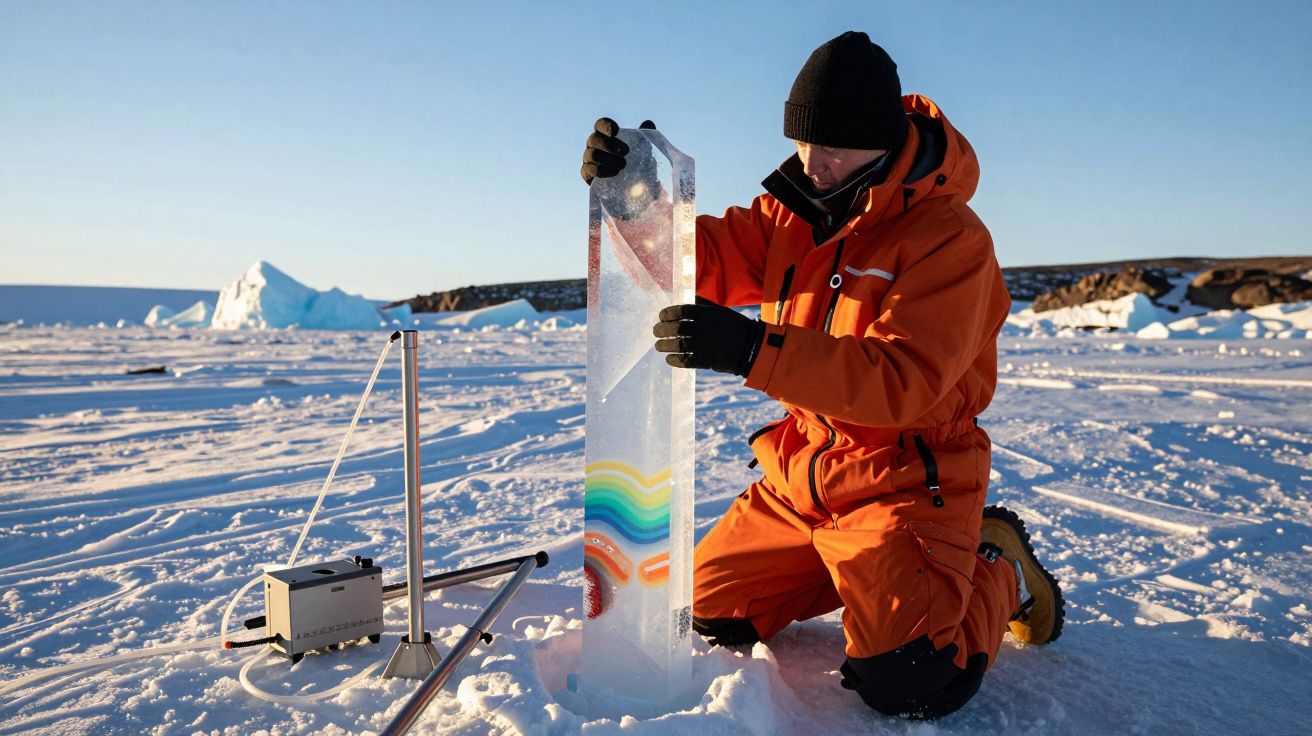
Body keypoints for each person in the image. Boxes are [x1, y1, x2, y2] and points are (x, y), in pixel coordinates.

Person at [581, 31, 1063, 720]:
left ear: (883, 138)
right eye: (804, 142)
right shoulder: (792, 210)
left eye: (833, 145)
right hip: (802, 476)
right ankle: (859, 575)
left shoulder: (952, 241)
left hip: (900, 481)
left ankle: (997, 566)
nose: (813, 163)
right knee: (705, 617)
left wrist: (752, 348)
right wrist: (638, 203)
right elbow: (695, 255)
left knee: (911, 679)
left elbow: (901, 382)